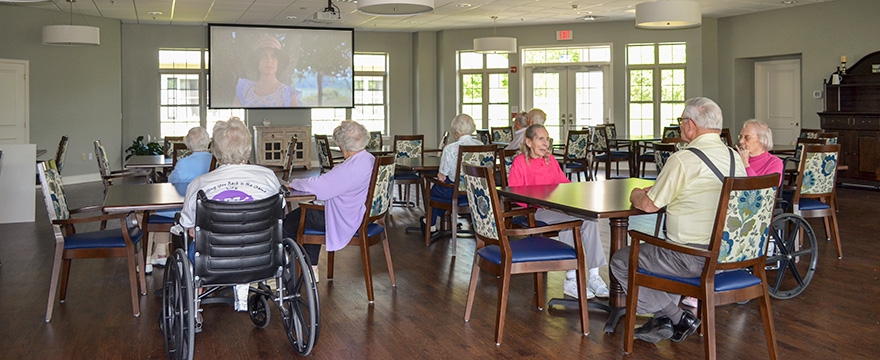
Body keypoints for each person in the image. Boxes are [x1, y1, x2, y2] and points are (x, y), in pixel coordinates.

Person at [609, 97, 746, 344]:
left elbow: (649, 205)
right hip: (730, 255)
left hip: (691, 258)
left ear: (691, 125)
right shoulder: (735, 158)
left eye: (681, 121)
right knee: (659, 253)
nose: (680, 126)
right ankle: (663, 319)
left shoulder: (683, 159)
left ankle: (676, 317)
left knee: (621, 260)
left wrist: (636, 193)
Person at [177, 116, 283, 318]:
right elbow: (279, 213)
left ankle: (196, 302)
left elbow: (187, 224)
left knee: (192, 240)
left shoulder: (200, 183)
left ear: (215, 151)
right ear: (248, 148)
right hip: (262, 254)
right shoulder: (268, 177)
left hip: (213, 259)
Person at [507, 124, 610, 299]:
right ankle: (571, 280)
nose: (545, 143)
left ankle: (594, 276)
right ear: (529, 142)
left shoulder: (550, 160)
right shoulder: (520, 162)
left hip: (557, 207)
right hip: (535, 210)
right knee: (568, 224)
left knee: (589, 220)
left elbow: (563, 183)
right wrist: (538, 202)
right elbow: (514, 192)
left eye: (547, 139)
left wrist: (578, 194)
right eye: (541, 139)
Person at [283, 120, 375, 281]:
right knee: (310, 211)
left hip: (348, 219)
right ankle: (311, 267)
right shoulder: (369, 159)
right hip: (363, 215)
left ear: (340, 145)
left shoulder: (349, 168)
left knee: (292, 221)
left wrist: (293, 183)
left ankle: (289, 269)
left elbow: (320, 188)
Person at [148, 126, 212, 270]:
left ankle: (151, 258)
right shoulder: (214, 161)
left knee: (150, 212)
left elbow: (171, 181)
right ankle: (160, 254)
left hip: (185, 210)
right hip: (206, 211)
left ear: (188, 144)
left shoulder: (183, 163)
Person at [421, 114, 484, 233]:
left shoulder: (450, 149)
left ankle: (431, 224)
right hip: (476, 191)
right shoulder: (481, 146)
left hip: (455, 191)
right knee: (440, 189)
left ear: (456, 132)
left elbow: (442, 176)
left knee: (435, 189)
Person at [233, 37, 300, 107]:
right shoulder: (244, 92)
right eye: (264, 56)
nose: (269, 60)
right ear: (257, 61)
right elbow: (236, 117)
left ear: (278, 62)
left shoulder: (289, 95)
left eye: (274, 56)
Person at [736, 119, 783, 186]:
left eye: (747, 137)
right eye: (740, 137)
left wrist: (746, 164)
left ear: (762, 140)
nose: (741, 141)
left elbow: (763, 191)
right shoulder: (735, 158)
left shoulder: (774, 163)